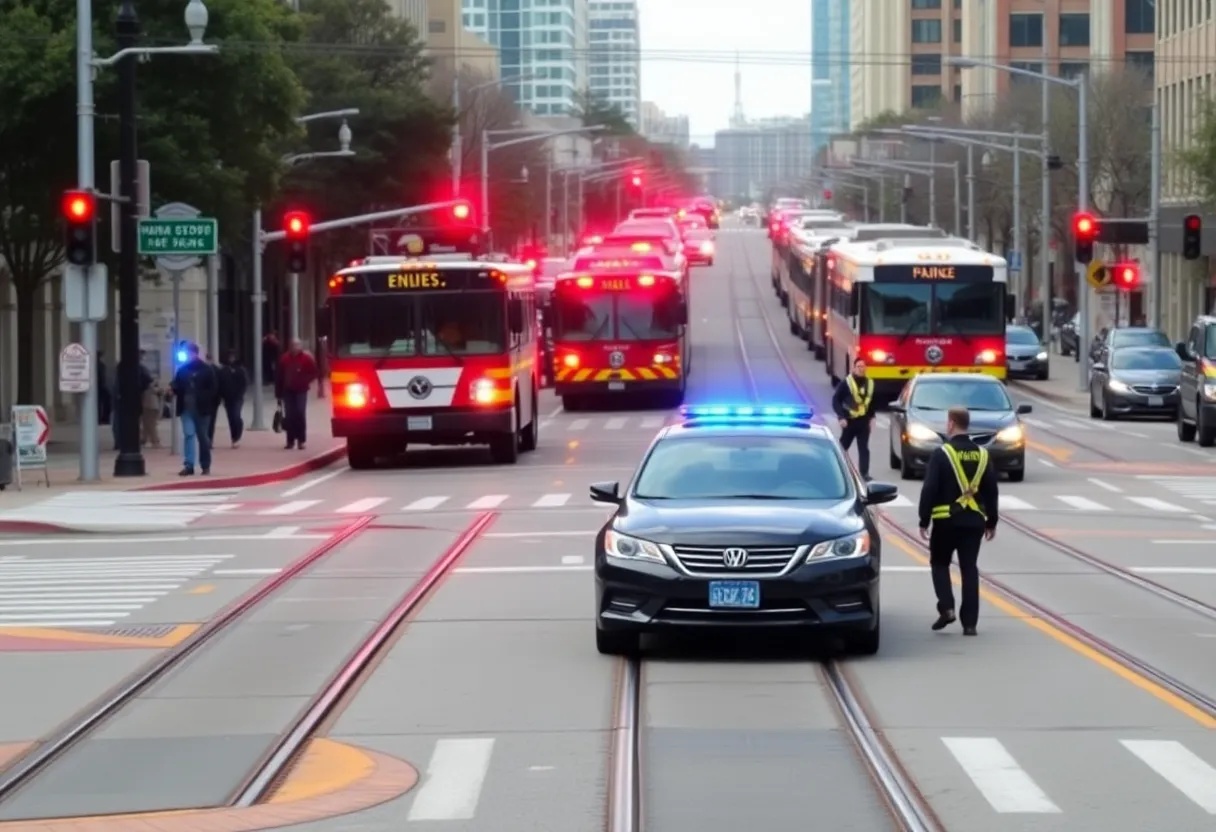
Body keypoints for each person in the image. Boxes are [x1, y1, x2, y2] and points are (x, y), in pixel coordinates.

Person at [918, 406, 999, 636]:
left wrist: (924, 519)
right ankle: (970, 623)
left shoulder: (941, 454)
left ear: (951, 423)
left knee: (940, 563)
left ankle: (947, 607)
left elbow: (930, 488)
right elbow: (992, 491)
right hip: (974, 522)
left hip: (945, 522)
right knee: (969, 568)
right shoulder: (983, 455)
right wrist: (991, 521)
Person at [169, 342, 219, 476]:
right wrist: (173, 389)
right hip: (186, 408)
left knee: (203, 437)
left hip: (202, 409)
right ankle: (189, 464)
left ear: (195, 353)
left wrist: (204, 398)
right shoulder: (182, 370)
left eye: (189, 353)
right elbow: (177, 384)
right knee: (189, 435)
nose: (188, 356)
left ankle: (205, 464)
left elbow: (213, 389)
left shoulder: (206, 370)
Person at [831, 358, 875, 480]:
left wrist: (872, 417)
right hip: (849, 421)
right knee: (842, 448)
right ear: (854, 368)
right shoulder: (846, 383)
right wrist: (841, 417)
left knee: (864, 448)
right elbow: (835, 400)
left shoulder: (870, 383)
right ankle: (834, 470)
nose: (861, 369)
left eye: (863, 366)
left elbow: (871, 402)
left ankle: (864, 474)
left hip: (863, 421)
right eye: (859, 366)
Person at [276, 338, 318, 450]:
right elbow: (279, 376)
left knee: (300, 413)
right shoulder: (284, 359)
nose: (295, 347)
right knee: (290, 415)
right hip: (288, 390)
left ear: (300, 346)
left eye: (297, 345)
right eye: (293, 345)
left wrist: (305, 381)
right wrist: (278, 393)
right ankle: (290, 441)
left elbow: (314, 372)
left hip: (301, 390)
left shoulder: (306, 358)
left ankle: (301, 440)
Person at [218, 349, 249, 448]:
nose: (231, 359)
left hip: (237, 398)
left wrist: (240, 393)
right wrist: (222, 395)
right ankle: (234, 437)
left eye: (233, 357)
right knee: (231, 418)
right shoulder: (223, 370)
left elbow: (244, 383)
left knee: (236, 416)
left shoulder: (240, 370)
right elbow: (220, 384)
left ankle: (237, 434)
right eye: (229, 357)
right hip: (227, 398)